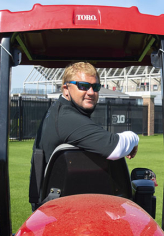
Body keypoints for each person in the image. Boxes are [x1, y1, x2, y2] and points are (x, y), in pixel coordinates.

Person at [29, 62, 139, 210]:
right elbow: (115, 148)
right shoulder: (67, 118)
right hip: (59, 209)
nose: (91, 92)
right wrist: (134, 137)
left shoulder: (58, 111)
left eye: (96, 87)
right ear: (66, 89)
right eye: (83, 86)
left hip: (62, 204)